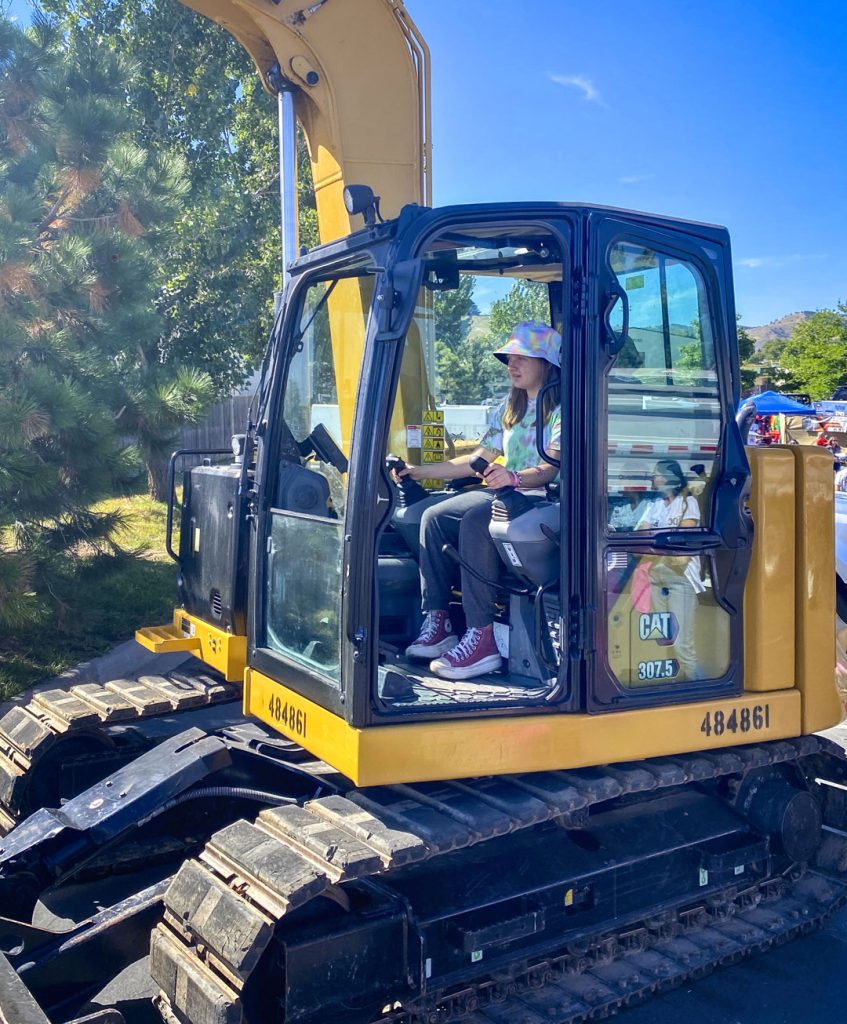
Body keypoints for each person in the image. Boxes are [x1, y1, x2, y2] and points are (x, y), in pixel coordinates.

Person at [396, 321, 562, 681]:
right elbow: (479, 458)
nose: (512, 365)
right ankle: (438, 622)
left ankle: (482, 638)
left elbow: (550, 469)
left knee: (475, 522)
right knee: (433, 516)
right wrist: (421, 472)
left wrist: (514, 477)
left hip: (544, 500)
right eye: (509, 358)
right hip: (506, 493)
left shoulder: (564, 408)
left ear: (547, 363)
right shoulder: (510, 407)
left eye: (522, 358)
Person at [636, 459, 704, 680]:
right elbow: (643, 536)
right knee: (662, 637)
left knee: (682, 642)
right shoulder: (653, 505)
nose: (653, 479)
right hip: (657, 576)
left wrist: (657, 541)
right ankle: (673, 682)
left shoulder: (687, 503)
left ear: (668, 478)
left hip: (679, 577)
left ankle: (700, 686)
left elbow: (682, 538)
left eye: (657, 474)